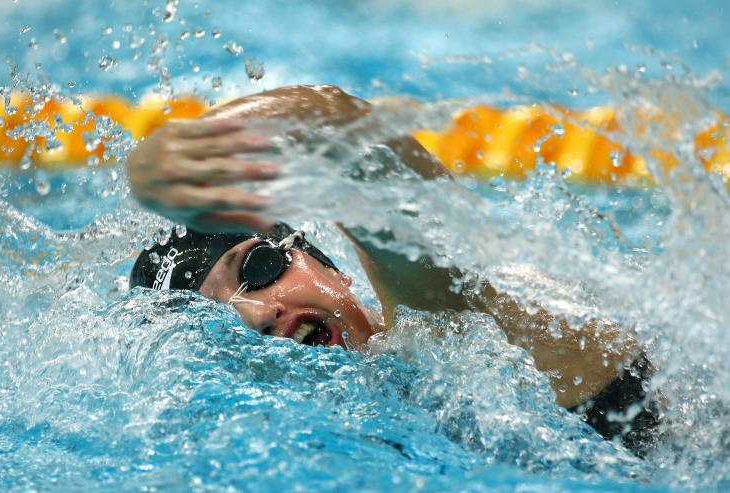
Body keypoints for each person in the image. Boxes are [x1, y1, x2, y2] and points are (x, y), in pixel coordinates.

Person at [126, 84, 662, 457]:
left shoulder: (450, 332)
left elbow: (348, 136)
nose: (259, 313)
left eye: (261, 266)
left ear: (335, 270)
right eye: (223, 323)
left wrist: (173, 153)